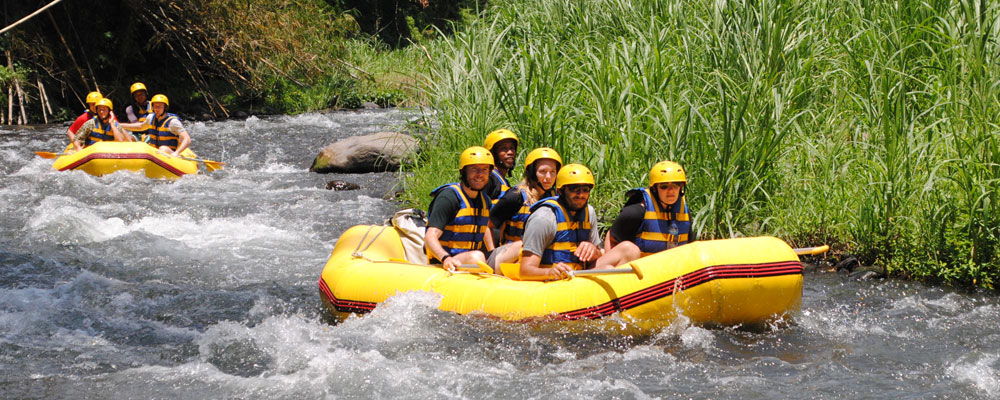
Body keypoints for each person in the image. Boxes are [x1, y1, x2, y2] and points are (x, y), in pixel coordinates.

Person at [595, 161, 694, 269]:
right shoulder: (636, 211)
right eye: (664, 186)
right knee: (629, 249)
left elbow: (690, 247)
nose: (671, 191)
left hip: (667, 273)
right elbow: (611, 237)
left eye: (676, 185)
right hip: (641, 272)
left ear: (681, 187)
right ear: (654, 188)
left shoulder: (684, 211)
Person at [517, 164, 603, 279]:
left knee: (626, 250)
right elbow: (525, 271)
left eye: (585, 189)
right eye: (574, 189)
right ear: (560, 191)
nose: (581, 194)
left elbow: (597, 256)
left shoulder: (589, 212)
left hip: (578, 277)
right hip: (550, 284)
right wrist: (549, 272)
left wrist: (594, 251)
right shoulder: (543, 218)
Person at [486, 147, 562, 271]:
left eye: (553, 172)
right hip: (511, 255)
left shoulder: (557, 198)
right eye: (543, 171)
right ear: (532, 172)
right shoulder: (516, 196)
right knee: (523, 245)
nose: (548, 177)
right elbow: (487, 225)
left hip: (538, 253)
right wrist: (491, 252)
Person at [424, 146, 496, 271]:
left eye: (484, 170)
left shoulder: (485, 200)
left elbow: (484, 229)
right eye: (474, 169)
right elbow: (430, 236)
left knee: (517, 248)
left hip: (471, 260)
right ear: (464, 172)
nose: (479, 174)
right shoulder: (449, 198)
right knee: (477, 256)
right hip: (445, 262)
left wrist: (493, 253)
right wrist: (445, 258)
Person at [119, 94, 192, 156]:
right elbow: (140, 127)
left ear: (165, 107)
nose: (157, 109)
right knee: (141, 145)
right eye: (155, 106)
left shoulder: (172, 122)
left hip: (169, 153)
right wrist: (120, 125)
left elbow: (187, 139)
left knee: (163, 148)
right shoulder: (151, 117)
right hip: (154, 153)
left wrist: (177, 153)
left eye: (159, 106)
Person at [482, 128, 519, 206]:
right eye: (504, 148)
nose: (510, 152)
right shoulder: (488, 178)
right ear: (492, 154)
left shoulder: (502, 181)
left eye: (512, 148)